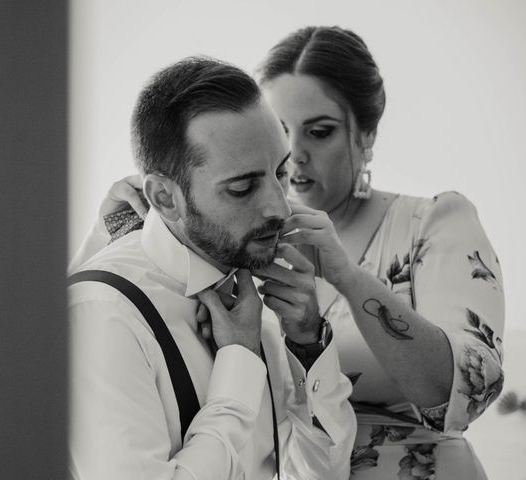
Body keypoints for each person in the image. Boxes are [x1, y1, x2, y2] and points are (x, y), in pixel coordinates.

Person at [74, 27, 505, 479]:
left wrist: (322, 318)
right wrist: (113, 234)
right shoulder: (229, 280)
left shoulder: (425, 226)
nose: (296, 160)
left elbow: (463, 391)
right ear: (165, 196)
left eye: (318, 132)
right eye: (243, 185)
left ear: (366, 134)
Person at [68, 56, 356, 480]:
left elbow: (320, 476)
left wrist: (308, 347)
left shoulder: (261, 286)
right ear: (165, 198)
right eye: (242, 188)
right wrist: (237, 367)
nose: (279, 207)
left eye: (281, 173)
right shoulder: (102, 316)